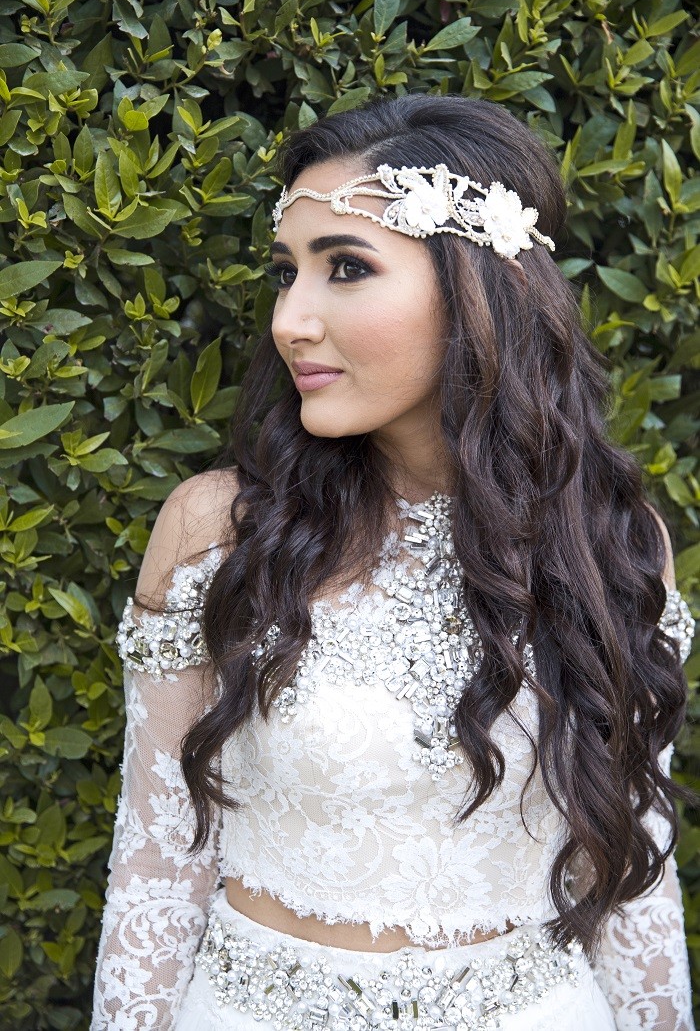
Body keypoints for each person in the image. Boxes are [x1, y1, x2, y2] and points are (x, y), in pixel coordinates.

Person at [91, 93, 697, 1031]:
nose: (290, 319)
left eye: (345, 267)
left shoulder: (613, 545)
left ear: (478, 289)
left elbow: (629, 875)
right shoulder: (219, 532)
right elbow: (157, 865)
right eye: (286, 273)